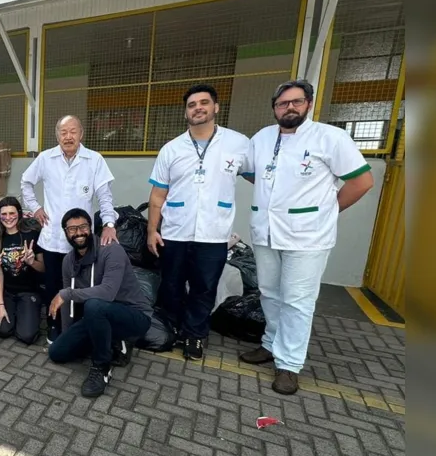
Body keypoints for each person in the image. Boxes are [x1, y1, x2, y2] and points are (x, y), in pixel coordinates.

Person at [239, 79, 374, 395]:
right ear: (275, 107)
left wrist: (326, 211)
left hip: (308, 237)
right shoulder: (262, 138)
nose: (289, 108)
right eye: (283, 103)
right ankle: (270, 344)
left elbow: (362, 181)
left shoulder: (330, 138)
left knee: (297, 300)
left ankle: (289, 365)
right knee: (270, 293)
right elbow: (249, 172)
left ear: (309, 103)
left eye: (296, 102)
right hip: (266, 231)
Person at [146, 84, 250, 360]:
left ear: (216, 107)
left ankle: (195, 335)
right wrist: (151, 230)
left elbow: (259, 177)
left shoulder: (237, 143)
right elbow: (157, 196)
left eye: (204, 103)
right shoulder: (171, 149)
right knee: (171, 285)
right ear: (186, 112)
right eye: (192, 105)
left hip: (213, 234)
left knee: (205, 287)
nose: (198, 108)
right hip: (175, 231)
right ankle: (169, 329)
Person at [21, 115, 119, 343]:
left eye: (73, 131)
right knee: (54, 285)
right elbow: (26, 182)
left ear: (81, 134)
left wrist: (109, 225)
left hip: (81, 241)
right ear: (57, 135)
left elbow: (105, 197)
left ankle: (79, 327)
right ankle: (55, 325)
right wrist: (35, 208)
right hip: (53, 237)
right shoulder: (46, 158)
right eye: (63, 132)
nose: (68, 137)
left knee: (83, 286)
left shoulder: (94, 160)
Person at [47, 209, 152, 398]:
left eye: (83, 227)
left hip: (133, 316)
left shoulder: (112, 250)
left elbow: (107, 292)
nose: (78, 233)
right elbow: (68, 306)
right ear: (65, 233)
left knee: (94, 305)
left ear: (91, 228)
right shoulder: (68, 261)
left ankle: (102, 367)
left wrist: (66, 293)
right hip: (98, 315)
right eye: (72, 229)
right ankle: (110, 341)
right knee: (57, 352)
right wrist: (67, 334)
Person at [0, 197, 45, 345]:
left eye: (12, 213)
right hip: (8, 292)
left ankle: (29, 313)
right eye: (4, 214)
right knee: (3, 330)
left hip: (29, 292)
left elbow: (43, 268)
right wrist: (0, 304)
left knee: (27, 336)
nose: (8, 218)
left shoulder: (32, 234)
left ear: (19, 213)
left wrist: (32, 262)